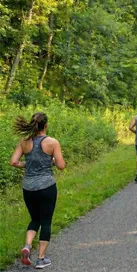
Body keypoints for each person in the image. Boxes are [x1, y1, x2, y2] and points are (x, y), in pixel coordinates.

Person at [10, 112, 66, 269]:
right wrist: (53, 162)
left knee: (35, 219)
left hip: (28, 188)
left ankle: (27, 246)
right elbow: (61, 166)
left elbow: (13, 162)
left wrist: (27, 165)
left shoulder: (24, 142)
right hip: (46, 187)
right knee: (46, 221)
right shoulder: (52, 142)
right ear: (46, 125)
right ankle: (41, 259)